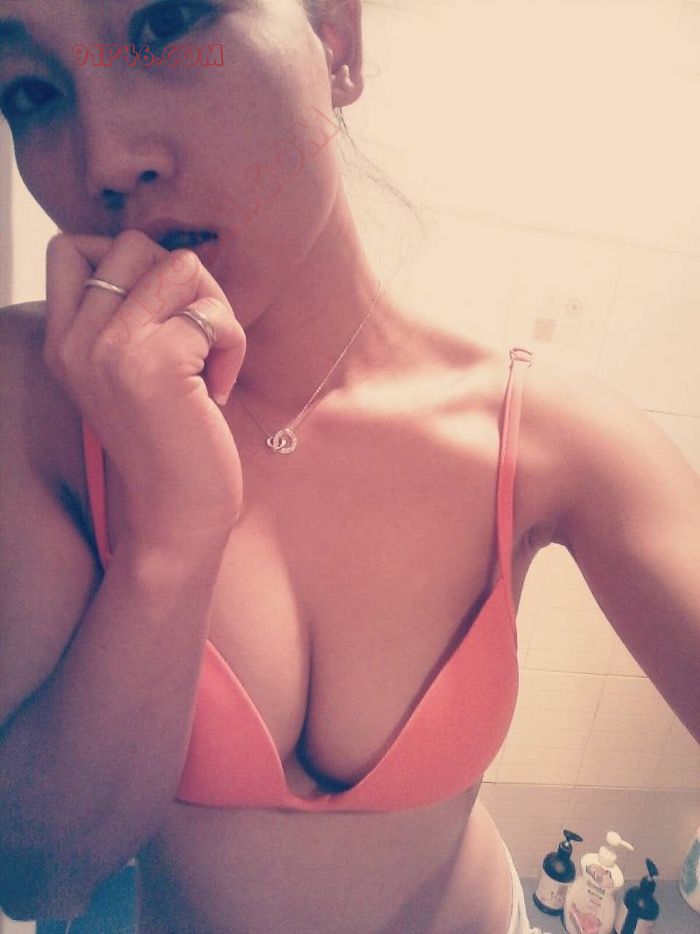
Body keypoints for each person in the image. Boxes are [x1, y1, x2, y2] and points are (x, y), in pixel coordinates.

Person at [0, 1, 698, 932]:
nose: (106, 159)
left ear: (334, 40)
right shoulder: (38, 394)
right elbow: (37, 876)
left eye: (170, 23)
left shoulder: (542, 435)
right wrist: (172, 537)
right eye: (31, 93)